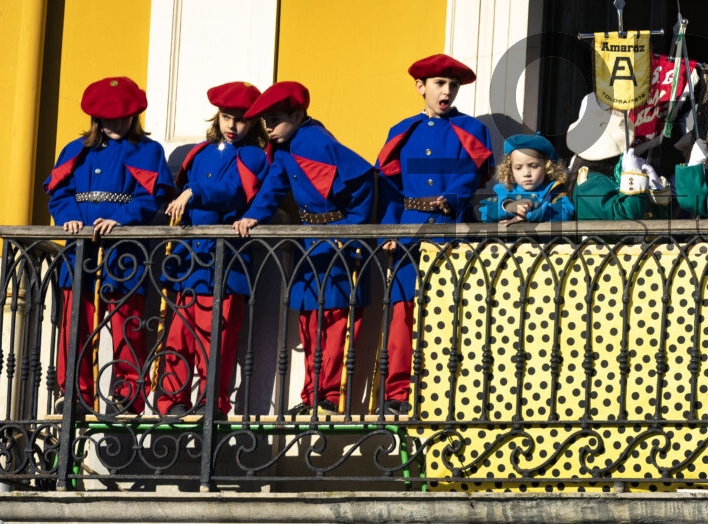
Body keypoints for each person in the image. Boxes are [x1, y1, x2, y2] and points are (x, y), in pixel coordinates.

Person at [234, 81, 376, 414]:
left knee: (334, 319)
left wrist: (350, 230)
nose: (268, 128)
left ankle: (328, 396)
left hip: (339, 244)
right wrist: (253, 215)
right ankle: (313, 394)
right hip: (311, 242)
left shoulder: (316, 141)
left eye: (275, 120)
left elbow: (362, 183)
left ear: (297, 116)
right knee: (311, 320)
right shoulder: (284, 147)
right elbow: (272, 188)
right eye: (265, 121)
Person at [44, 76, 171, 414]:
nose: (117, 124)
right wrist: (70, 217)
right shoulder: (75, 150)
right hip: (79, 253)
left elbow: (150, 197)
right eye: (110, 118)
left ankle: (127, 395)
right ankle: (75, 394)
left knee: (127, 324)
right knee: (76, 324)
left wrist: (122, 219)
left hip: (125, 254)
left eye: (124, 117)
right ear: (96, 118)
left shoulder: (148, 151)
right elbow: (58, 193)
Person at [377, 54, 493, 414]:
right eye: (440, 84)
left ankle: (440, 392)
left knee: (446, 314)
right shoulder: (402, 130)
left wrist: (452, 197)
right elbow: (389, 187)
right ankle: (397, 394)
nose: (447, 92)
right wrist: (388, 231)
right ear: (420, 87)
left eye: (453, 85)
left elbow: (471, 176)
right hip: (408, 232)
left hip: (449, 230)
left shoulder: (471, 129)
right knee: (402, 315)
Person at [156, 82, 270, 417]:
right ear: (217, 116)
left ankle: (211, 403)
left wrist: (194, 191)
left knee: (215, 340)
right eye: (226, 117)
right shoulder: (199, 153)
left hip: (225, 263)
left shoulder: (254, 156)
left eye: (241, 119)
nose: (233, 126)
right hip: (188, 261)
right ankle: (173, 400)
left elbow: (236, 191)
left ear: (253, 122)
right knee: (178, 337)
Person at [566, 95, 671, 221]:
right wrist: (633, 179)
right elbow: (626, 221)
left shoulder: (616, 176)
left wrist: (655, 189)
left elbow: (658, 221)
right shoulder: (588, 183)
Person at [480, 134, 575, 223]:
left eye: (533, 166)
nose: (526, 174)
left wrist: (528, 214)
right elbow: (485, 214)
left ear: (547, 167)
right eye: (518, 168)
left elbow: (565, 212)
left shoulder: (554, 191)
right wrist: (508, 207)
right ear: (510, 169)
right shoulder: (506, 190)